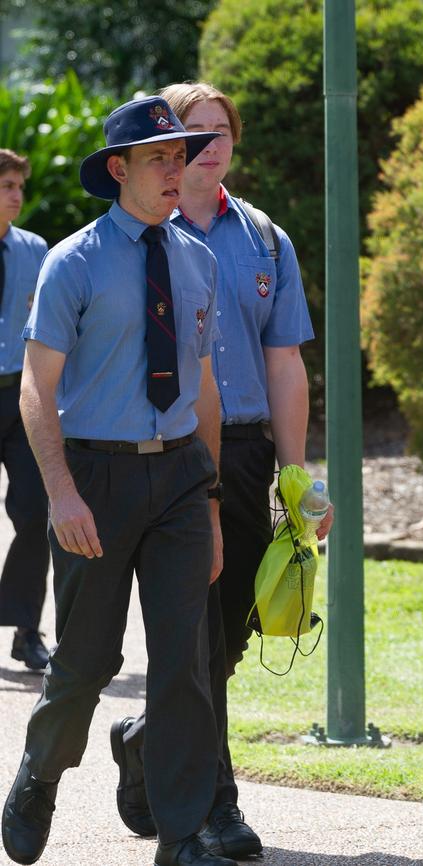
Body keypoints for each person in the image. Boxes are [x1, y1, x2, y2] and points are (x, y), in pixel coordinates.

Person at [1, 95, 239, 866]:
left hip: (176, 477)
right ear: (118, 170)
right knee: (86, 662)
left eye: (183, 156)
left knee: (186, 662)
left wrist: (207, 505)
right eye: (159, 160)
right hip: (94, 478)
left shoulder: (198, 258)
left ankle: (181, 832)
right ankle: (39, 774)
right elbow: (37, 386)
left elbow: (202, 389)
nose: (179, 170)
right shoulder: (72, 260)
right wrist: (62, 492)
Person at [109, 81, 333, 860]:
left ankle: (146, 734)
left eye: (219, 132)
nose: (207, 147)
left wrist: (298, 473)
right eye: (189, 134)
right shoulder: (138, 232)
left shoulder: (266, 239)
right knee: (197, 639)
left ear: (234, 142)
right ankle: (214, 803)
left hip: (246, 453)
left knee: (234, 627)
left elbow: (286, 363)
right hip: (168, 458)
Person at [0, 149, 50, 672]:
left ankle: (25, 630)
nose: (16, 194)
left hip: (20, 398)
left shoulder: (36, 250)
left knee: (36, 513)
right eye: (6, 185)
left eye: (18, 184)